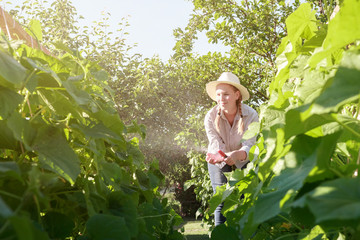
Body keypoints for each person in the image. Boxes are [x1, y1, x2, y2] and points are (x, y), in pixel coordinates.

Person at [204, 72, 259, 226]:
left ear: (236, 95)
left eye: (226, 94)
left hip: (243, 158)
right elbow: (215, 144)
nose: (221, 99)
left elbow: (250, 145)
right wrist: (222, 157)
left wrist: (236, 155)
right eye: (219, 94)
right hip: (219, 160)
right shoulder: (210, 116)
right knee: (221, 199)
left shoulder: (251, 115)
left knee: (246, 197)